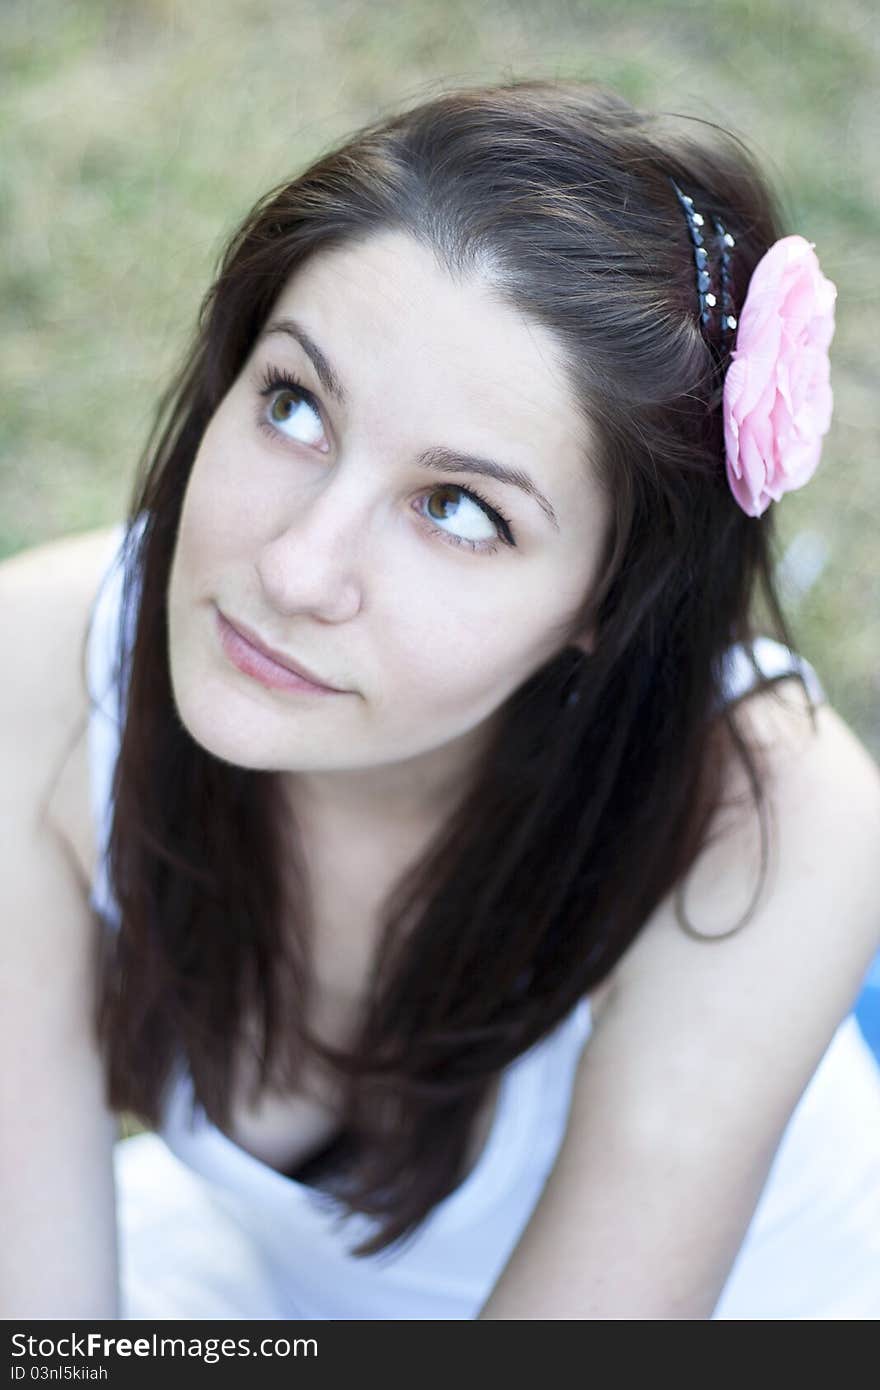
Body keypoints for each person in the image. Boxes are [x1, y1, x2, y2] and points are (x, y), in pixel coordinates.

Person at [2, 77, 879, 1322]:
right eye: (294, 406)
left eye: (458, 510)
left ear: (608, 596)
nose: (297, 569)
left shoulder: (773, 829)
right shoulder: (40, 669)